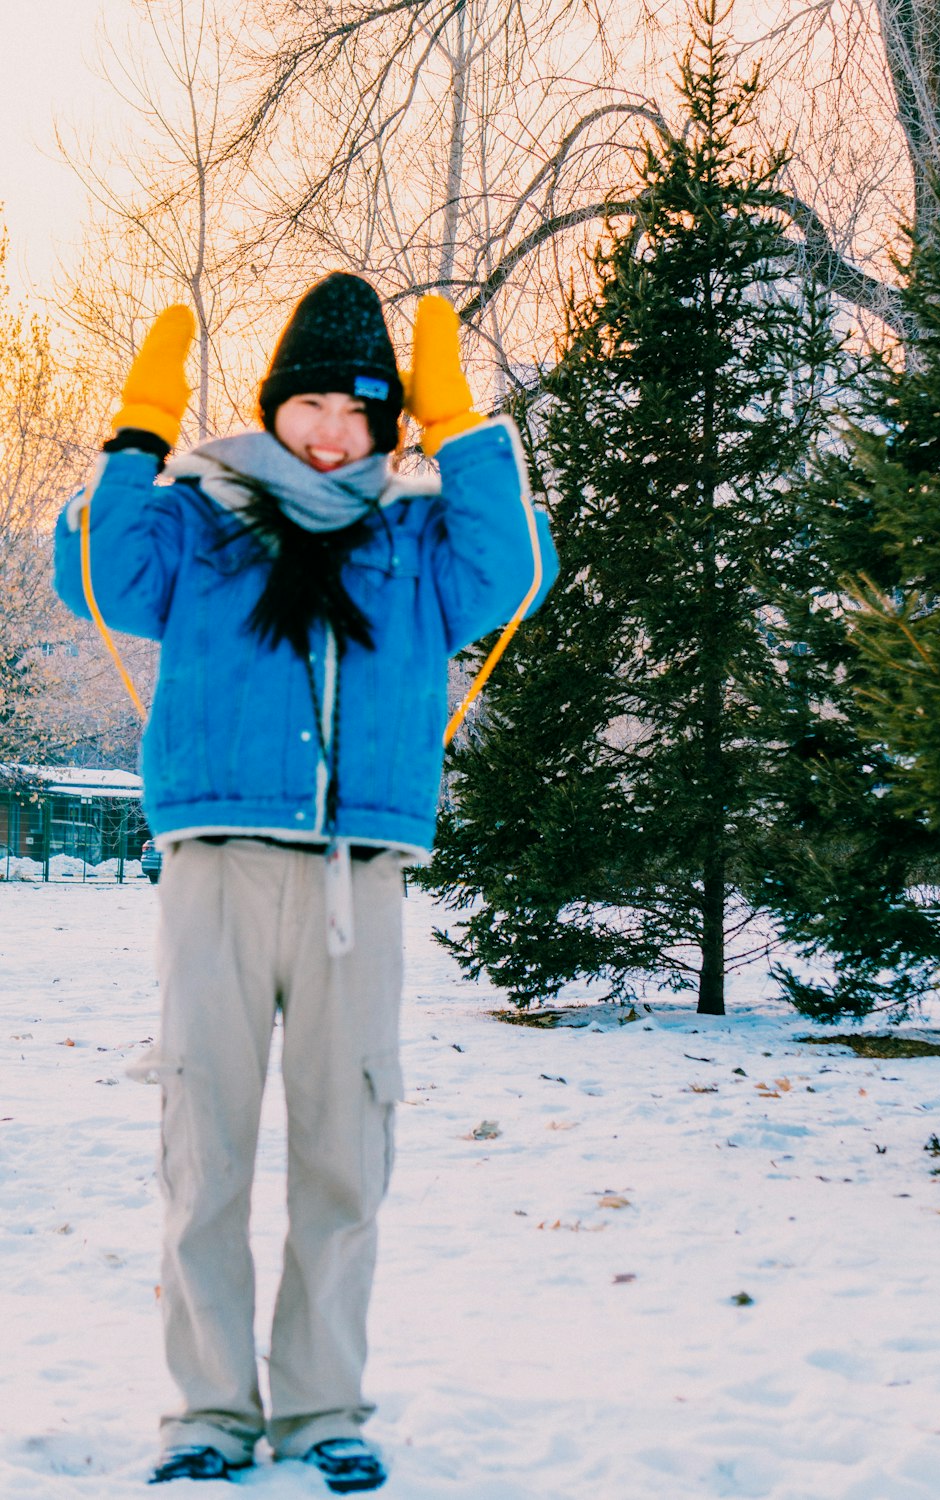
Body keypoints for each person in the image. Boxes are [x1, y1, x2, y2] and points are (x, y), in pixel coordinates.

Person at [53, 274, 557, 1492]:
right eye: (313, 403)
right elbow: (96, 576)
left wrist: (463, 424)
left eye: (363, 411)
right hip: (216, 870)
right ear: (274, 406)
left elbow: (513, 572)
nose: (334, 430)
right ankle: (210, 1415)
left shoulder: (416, 537)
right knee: (206, 1146)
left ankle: (325, 1404)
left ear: (389, 427)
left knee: (346, 1147)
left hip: (356, 879)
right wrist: (136, 427)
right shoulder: (199, 519)